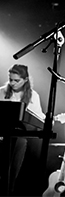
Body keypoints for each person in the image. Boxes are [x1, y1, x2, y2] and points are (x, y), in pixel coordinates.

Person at [0, 64, 45, 195]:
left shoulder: (33, 96)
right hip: (1, 134)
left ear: (25, 80)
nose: (12, 83)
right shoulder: (1, 91)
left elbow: (38, 118)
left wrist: (50, 119)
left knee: (19, 145)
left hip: (18, 137)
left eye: (16, 80)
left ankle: (9, 189)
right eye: (10, 79)